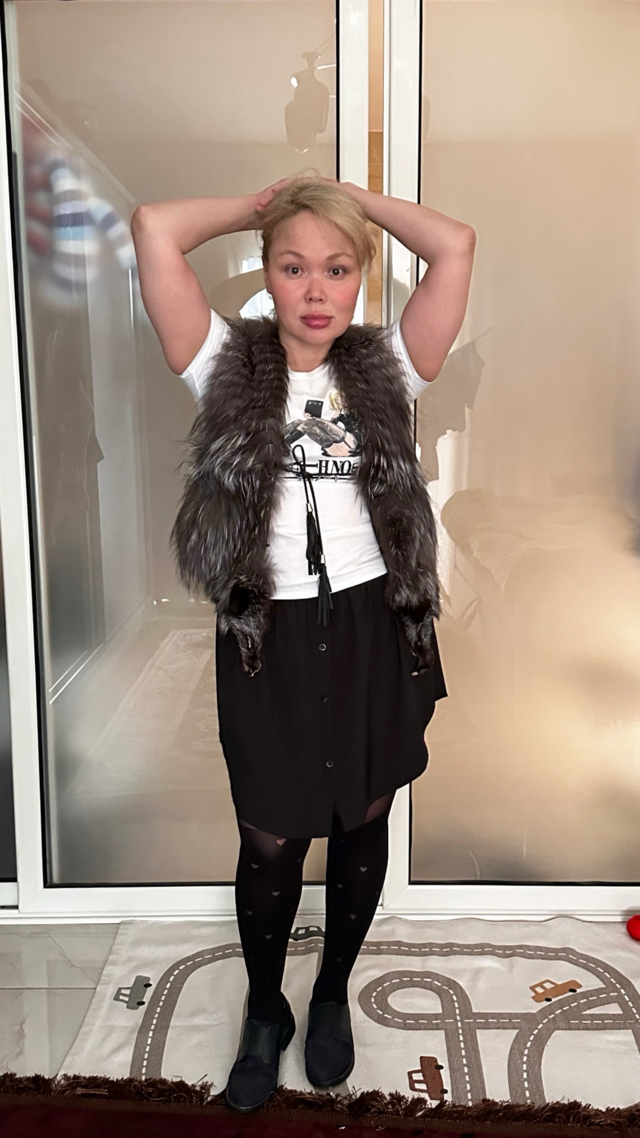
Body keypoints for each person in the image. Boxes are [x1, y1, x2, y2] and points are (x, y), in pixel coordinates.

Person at [131, 172, 475, 1113]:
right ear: (267, 275)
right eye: (292, 267)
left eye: (336, 268)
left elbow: (454, 244)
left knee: (363, 816)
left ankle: (329, 996)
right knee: (271, 836)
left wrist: (346, 197)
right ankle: (264, 1008)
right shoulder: (220, 363)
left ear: (359, 277)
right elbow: (155, 223)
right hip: (266, 629)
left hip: (373, 620)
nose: (316, 290)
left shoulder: (389, 368)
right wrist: (265, 205)